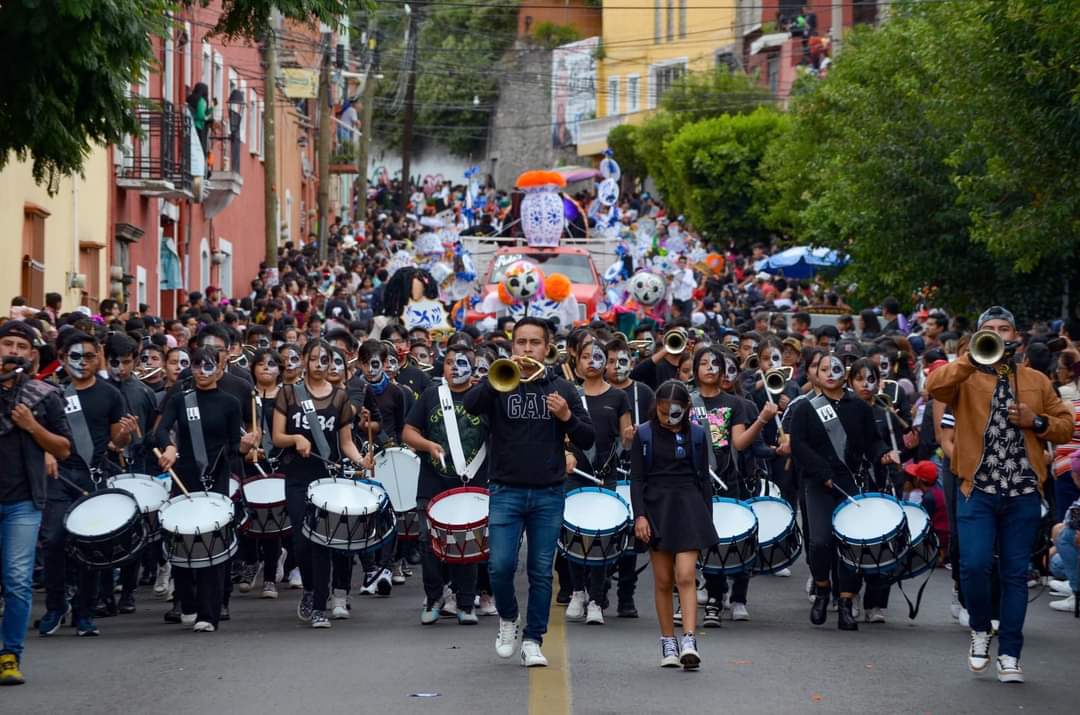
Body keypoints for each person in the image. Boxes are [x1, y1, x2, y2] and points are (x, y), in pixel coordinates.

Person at [927, 306, 1072, 683]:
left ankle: (1010, 652)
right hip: (978, 489)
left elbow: (1064, 425)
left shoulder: (1037, 381)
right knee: (974, 565)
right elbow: (935, 386)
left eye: (1003, 328)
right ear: (978, 337)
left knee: (1013, 575)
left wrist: (1035, 421)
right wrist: (968, 359)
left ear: (1016, 337)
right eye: (988, 329)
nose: (997, 333)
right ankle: (979, 628)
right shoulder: (965, 377)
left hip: (1023, 491)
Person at [463, 317, 594, 667]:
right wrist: (495, 380)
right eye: (520, 342)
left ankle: (534, 639)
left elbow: (588, 438)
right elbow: (470, 406)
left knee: (540, 571)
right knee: (500, 566)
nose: (526, 349)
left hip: (548, 493)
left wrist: (566, 416)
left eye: (534, 342)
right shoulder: (500, 379)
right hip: (505, 490)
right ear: (512, 345)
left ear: (547, 347)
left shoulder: (562, 388)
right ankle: (508, 618)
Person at [788, 351, 899, 632]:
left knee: (849, 544)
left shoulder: (859, 407)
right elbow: (799, 447)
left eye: (834, 368)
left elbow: (872, 442)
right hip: (818, 483)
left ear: (843, 373)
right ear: (816, 373)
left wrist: (884, 453)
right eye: (823, 368)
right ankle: (823, 588)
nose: (828, 373)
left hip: (851, 483)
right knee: (821, 542)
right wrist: (822, 473)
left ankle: (846, 602)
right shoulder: (805, 408)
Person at [37, 332, 138, 637]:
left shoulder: (110, 394)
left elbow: (115, 443)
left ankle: (85, 611)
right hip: (60, 478)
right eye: (75, 356)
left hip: (94, 476)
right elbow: (38, 433)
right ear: (62, 357)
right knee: (54, 541)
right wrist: (45, 454)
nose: (82, 362)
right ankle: (56, 607)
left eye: (89, 356)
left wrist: (125, 434)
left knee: (90, 546)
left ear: (99, 358)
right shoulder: (52, 393)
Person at [156, 347, 256, 632]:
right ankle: (187, 602)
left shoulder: (229, 402)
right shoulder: (179, 400)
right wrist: (171, 447)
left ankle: (209, 613)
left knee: (213, 544)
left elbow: (233, 445)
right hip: (184, 478)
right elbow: (161, 431)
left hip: (217, 477)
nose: (201, 371)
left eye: (208, 365)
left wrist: (245, 446)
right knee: (182, 540)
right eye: (196, 365)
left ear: (220, 367)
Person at [272, 340, 371, 629]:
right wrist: (295, 439)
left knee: (322, 543)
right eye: (313, 358)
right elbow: (277, 436)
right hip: (298, 478)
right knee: (301, 543)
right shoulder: (288, 394)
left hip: (327, 479)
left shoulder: (340, 397)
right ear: (304, 360)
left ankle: (319, 605)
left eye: (324, 359)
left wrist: (361, 461)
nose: (318, 364)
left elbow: (346, 442)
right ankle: (310, 589)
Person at [0, 322, 72, 686]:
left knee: (16, 581)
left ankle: (9, 655)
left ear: (31, 354)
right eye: (6, 343)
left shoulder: (43, 396)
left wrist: (31, 426)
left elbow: (63, 447)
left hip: (23, 502)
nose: (12, 350)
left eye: (20, 345)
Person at [630, 380, 717, 670]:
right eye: (663, 412)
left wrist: (707, 518)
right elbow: (638, 479)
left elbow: (704, 478)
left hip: (689, 506)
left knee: (685, 575)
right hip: (656, 507)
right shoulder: (644, 434)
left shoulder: (696, 435)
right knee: (664, 580)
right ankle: (668, 640)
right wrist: (639, 515)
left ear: (687, 409)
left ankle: (690, 639)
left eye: (675, 413)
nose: (668, 418)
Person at [403, 341, 489, 625]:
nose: (455, 368)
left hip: (472, 484)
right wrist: (427, 445)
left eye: (462, 362)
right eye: (450, 362)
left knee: (468, 545)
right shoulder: (430, 395)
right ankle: (433, 597)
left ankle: (466, 603)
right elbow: (408, 431)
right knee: (430, 545)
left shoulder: (484, 396)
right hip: (432, 482)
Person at [690, 347, 773, 625]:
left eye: (716, 363)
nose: (711, 368)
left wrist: (761, 420)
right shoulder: (687, 401)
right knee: (693, 542)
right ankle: (690, 598)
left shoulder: (735, 403)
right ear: (695, 369)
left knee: (721, 541)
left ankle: (716, 599)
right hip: (692, 484)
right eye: (704, 363)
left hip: (728, 482)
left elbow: (739, 443)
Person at [563, 333, 632, 626]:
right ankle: (577, 590)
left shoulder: (618, 396)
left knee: (602, 537)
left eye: (598, 357)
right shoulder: (569, 392)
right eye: (586, 357)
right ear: (576, 362)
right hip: (574, 475)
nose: (592, 362)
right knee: (574, 535)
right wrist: (564, 452)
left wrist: (631, 437)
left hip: (606, 474)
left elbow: (626, 438)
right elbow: (559, 432)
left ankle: (596, 599)